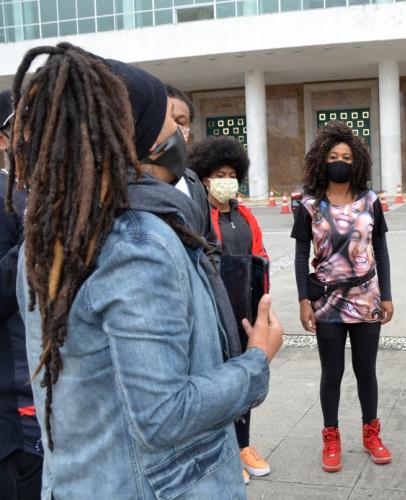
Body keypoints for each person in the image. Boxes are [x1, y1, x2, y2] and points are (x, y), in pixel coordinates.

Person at [9, 42, 282, 499]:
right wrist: (256, 360)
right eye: (169, 122)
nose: (180, 135)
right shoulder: (137, 243)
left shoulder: (50, 238)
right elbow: (163, 416)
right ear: (142, 142)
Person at [291, 120, 393, 473]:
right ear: (322, 160)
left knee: (366, 371)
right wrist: (303, 300)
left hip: (367, 300)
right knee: (331, 373)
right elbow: (300, 254)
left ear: (357, 161)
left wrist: (387, 295)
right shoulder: (309, 205)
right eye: (333, 156)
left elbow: (381, 249)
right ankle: (331, 437)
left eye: (347, 157)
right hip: (327, 304)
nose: (340, 162)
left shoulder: (371, 200)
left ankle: (371, 434)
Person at [189, 135, 271, 484]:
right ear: (205, 178)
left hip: (246, 310)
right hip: (214, 312)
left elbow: (261, 256)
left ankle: (244, 445)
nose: (227, 180)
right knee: (220, 382)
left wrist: (263, 304)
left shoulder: (245, 215)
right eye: (219, 175)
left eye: (232, 174)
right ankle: (225, 450)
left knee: (245, 378)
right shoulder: (198, 216)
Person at [0, 89, 41, 500]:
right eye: (22, 127)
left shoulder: (33, 193)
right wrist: (35, 242)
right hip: (18, 408)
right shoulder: (6, 199)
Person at [165, 84, 217, 247]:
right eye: (166, 120)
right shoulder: (131, 180)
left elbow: (210, 242)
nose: (174, 128)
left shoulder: (192, 180)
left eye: (180, 122)